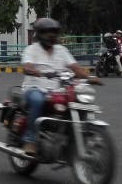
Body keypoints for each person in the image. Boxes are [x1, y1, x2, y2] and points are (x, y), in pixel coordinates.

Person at [21, 18, 98, 156]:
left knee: (78, 101)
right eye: (47, 33)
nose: (51, 36)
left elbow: (76, 69)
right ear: (39, 34)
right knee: (38, 100)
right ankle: (30, 140)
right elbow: (27, 66)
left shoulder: (62, 50)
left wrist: (90, 78)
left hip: (57, 91)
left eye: (54, 32)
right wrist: (34, 71)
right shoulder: (31, 50)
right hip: (34, 88)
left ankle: (74, 138)